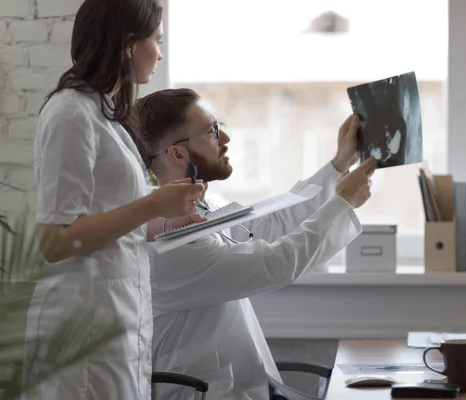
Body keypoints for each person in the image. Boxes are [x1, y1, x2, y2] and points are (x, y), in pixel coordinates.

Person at [131, 88, 376, 400]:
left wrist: (339, 164)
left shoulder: (202, 207)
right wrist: (343, 202)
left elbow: (271, 224)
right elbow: (277, 263)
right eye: (212, 132)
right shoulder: (171, 242)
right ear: (177, 154)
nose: (226, 139)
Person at [23, 1, 205, 399]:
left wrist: (172, 218)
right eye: (156, 41)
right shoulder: (70, 113)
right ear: (127, 44)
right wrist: (153, 205)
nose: (160, 53)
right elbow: (55, 240)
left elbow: (115, 222)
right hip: (82, 322)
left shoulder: (105, 113)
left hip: (113, 317)